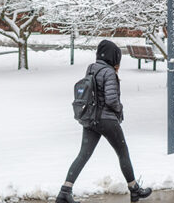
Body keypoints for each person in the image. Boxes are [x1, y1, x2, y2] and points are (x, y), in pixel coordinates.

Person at [56, 40, 152, 203]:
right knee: (123, 152)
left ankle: (65, 191)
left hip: (90, 119)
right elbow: (111, 100)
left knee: (83, 154)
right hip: (106, 120)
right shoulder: (109, 72)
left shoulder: (91, 68)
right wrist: (119, 109)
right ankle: (135, 190)